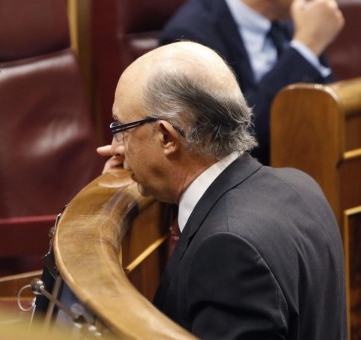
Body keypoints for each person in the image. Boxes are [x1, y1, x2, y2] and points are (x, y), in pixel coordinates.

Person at [110, 41, 346, 338]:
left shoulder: (227, 249)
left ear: (166, 137)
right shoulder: (300, 185)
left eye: (121, 130)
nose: (117, 148)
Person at [158, 0, 344, 165]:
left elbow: (328, 111)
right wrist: (306, 47)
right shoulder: (191, 34)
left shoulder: (292, 17)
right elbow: (228, 139)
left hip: (305, 166)